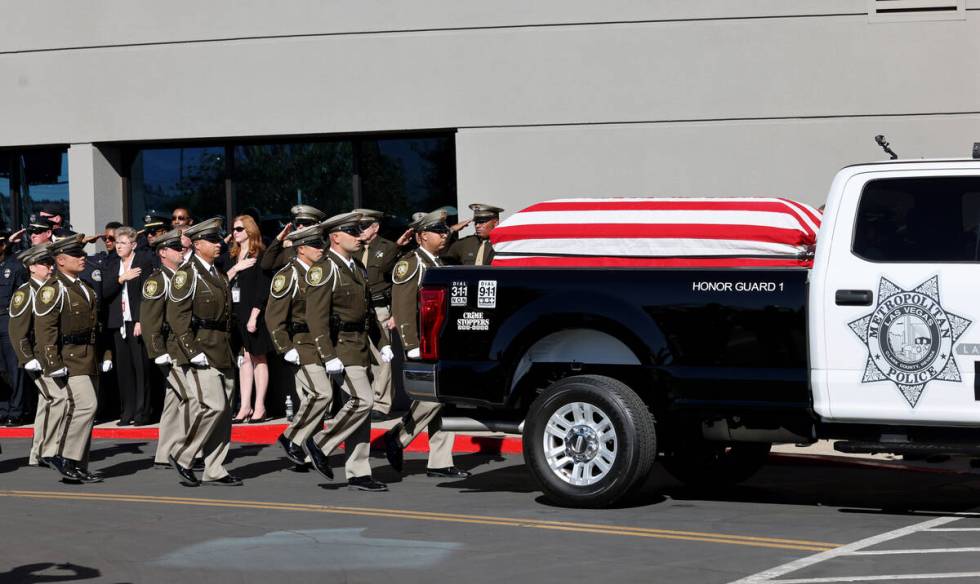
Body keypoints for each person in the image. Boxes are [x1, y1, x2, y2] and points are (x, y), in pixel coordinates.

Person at [304, 212, 393, 492]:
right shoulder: (324, 268)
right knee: (363, 400)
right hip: (341, 346)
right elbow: (316, 317)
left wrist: (382, 342)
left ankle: (358, 470)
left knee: (361, 414)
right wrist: (327, 355)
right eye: (352, 231)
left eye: (360, 230)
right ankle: (320, 443)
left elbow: (366, 312)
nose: (359, 236)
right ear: (335, 237)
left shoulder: (356, 267)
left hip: (360, 343)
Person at [384, 210, 470, 479]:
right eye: (438, 231)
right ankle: (397, 438)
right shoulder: (410, 264)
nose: (444, 235)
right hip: (422, 343)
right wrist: (410, 344)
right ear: (421, 236)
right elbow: (403, 306)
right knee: (432, 398)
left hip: (439, 342)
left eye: (445, 231)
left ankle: (440, 462)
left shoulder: (437, 263)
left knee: (442, 401)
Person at [166, 217, 242, 487]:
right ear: (197, 244)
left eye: (218, 239)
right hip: (200, 349)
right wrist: (191, 350)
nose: (218, 244)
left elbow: (227, 317)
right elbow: (177, 317)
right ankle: (184, 454)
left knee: (224, 413)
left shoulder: (218, 273)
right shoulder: (188, 274)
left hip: (222, 349)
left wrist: (237, 349)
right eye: (212, 240)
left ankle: (215, 467)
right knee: (213, 405)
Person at [34, 234, 110, 483]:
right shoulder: (52, 289)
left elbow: (95, 327)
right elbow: (46, 331)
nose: (83, 258)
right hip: (67, 359)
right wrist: (52, 364)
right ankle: (62, 456)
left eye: (82, 254)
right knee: (86, 406)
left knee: (86, 411)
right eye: (76, 255)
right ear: (60, 259)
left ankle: (78, 464)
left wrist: (104, 354)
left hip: (87, 358)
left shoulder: (84, 287)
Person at [265, 224, 332, 464]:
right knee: (322, 394)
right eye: (315, 245)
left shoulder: (320, 272)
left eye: (321, 244)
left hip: (321, 343)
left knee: (319, 398)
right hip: (300, 343)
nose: (320, 249)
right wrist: (285, 347)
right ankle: (292, 437)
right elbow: (273, 316)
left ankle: (304, 449)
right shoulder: (288, 274)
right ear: (301, 249)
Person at [141, 228, 199, 469]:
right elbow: (150, 320)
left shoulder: (179, 276)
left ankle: (165, 453)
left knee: (174, 400)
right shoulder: (158, 280)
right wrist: (158, 351)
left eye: (182, 247)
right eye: (176, 248)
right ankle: (182, 451)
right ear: (162, 252)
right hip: (169, 349)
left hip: (178, 346)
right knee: (191, 397)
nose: (181, 251)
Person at [351, 208, 406, 420]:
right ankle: (364, 400)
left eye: (364, 226)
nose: (360, 231)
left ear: (376, 227)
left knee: (381, 358)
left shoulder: (388, 248)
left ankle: (381, 404)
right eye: (358, 227)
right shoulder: (354, 247)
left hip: (379, 308)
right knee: (359, 357)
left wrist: (396, 313)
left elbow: (396, 283)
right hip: (357, 310)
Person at [8, 243, 58, 466]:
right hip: (36, 357)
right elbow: (17, 329)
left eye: (50, 263)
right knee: (54, 398)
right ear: (31, 267)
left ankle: (39, 452)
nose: (49, 267)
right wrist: (27, 358)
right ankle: (45, 452)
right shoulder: (25, 292)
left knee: (46, 402)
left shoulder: (50, 289)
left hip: (50, 356)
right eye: (44, 263)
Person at [101, 226, 154, 426]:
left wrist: (141, 320)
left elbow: (146, 294)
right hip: (118, 322)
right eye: (117, 243)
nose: (118, 246)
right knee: (123, 369)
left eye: (123, 243)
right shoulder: (112, 264)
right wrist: (122, 278)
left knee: (141, 367)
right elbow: (105, 292)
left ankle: (142, 412)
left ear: (133, 245)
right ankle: (127, 411)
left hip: (136, 321)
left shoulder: (143, 262)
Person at [224, 215, 273, 423]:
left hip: (253, 314)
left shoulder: (259, 254)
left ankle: (260, 406)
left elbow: (263, 289)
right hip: (236, 313)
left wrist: (254, 316)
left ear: (250, 231)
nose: (235, 233)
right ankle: (245, 406)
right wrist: (236, 268)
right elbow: (221, 282)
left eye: (239, 229)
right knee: (243, 360)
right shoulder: (233, 255)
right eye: (234, 229)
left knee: (258, 357)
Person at [0, 232, 28, 425]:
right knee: (0, 369)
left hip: (9, 320)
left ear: (3, 245)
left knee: (14, 369)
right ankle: (2, 408)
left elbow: (22, 300)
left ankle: (16, 411)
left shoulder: (15, 267)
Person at [259, 205, 326, 271]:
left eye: (305, 223)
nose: (300, 226)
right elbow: (266, 265)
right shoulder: (291, 249)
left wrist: (294, 244)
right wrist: (278, 239)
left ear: (316, 224)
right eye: (297, 223)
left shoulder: (325, 246)